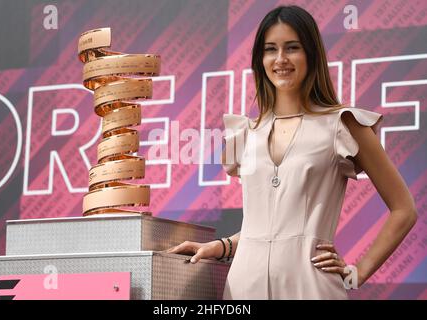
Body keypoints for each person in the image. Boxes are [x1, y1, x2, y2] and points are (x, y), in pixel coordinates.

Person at [166, 5, 417, 299]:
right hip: (244, 287)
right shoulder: (245, 133)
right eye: (270, 49)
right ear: (260, 60)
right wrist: (221, 247)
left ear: (311, 53)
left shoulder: (343, 124)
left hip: (311, 286)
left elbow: (404, 209)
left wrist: (358, 272)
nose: (281, 59)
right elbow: (268, 226)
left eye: (292, 47)